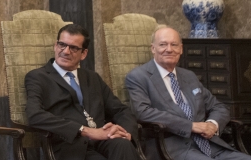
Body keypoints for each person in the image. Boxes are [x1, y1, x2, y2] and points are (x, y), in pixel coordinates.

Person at [125, 26, 251, 160]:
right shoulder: (138, 77)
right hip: (171, 148)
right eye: (163, 44)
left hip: (210, 145)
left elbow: (219, 107)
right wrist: (191, 126)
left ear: (181, 49)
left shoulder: (189, 76)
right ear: (153, 48)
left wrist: (212, 124)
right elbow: (142, 112)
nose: (169, 49)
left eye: (174, 45)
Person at [25, 24, 140, 160]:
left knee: (124, 145)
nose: (66, 51)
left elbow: (120, 110)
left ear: (84, 54)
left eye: (73, 48)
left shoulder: (92, 77)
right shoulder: (38, 77)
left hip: (102, 140)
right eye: (62, 45)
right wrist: (85, 130)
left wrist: (125, 132)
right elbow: (34, 115)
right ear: (55, 46)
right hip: (70, 145)